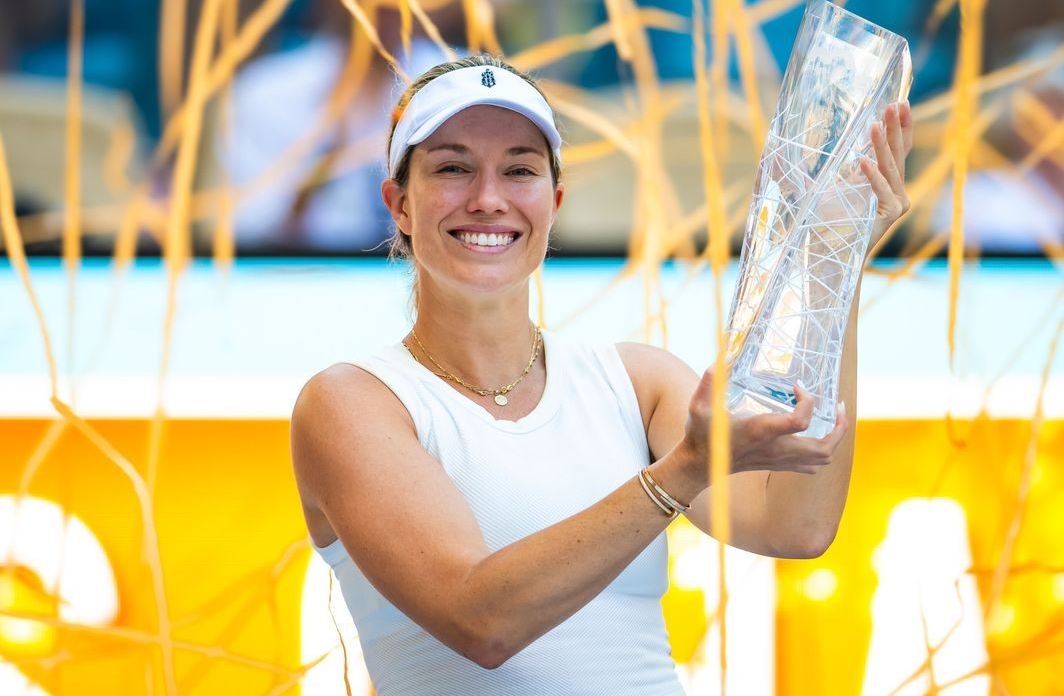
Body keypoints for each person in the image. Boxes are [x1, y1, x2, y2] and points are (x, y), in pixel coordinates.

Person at [290, 53, 913, 694]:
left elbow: (794, 525)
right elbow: (480, 621)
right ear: (399, 204)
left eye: (519, 170)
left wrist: (833, 262)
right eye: (453, 168)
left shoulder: (634, 383)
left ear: (554, 201)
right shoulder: (351, 402)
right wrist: (682, 471)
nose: (488, 199)